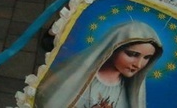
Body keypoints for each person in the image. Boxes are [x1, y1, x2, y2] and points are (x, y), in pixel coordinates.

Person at [35, 21, 163, 108]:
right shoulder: (77, 77)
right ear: (114, 49)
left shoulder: (132, 91)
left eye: (147, 58)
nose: (139, 65)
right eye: (132, 54)